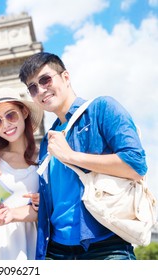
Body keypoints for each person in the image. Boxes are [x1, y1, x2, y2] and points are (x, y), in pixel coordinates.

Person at [18, 52, 147, 260]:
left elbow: (136, 166)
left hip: (105, 245)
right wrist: (45, 200)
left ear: (66, 77)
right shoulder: (47, 142)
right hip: (55, 250)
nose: (41, 90)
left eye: (45, 79)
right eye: (32, 87)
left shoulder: (102, 108)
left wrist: (71, 156)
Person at [0, 87, 44, 260]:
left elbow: (51, 209)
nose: (5, 124)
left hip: (33, 241)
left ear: (24, 112)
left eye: (10, 115)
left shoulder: (46, 157)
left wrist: (39, 204)